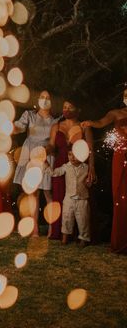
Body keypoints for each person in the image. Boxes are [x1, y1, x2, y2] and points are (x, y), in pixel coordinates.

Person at [82, 87, 127, 254]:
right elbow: (101, 123)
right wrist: (90, 123)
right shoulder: (115, 113)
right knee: (119, 197)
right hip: (120, 156)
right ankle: (119, 241)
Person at [47, 98, 95, 240]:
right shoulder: (56, 126)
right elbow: (51, 145)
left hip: (79, 167)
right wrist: (45, 150)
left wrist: (91, 167)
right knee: (60, 197)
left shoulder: (84, 126)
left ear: (78, 109)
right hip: (61, 164)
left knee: (80, 198)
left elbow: (91, 149)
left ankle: (81, 234)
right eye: (64, 107)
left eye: (70, 107)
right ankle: (61, 233)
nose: (66, 110)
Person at [12, 90, 57, 235]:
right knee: (33, 194)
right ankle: (35, 228)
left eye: (47, 97)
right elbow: (18, 127)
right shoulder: (29, 115)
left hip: (45, 155)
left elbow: (53, 142)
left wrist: (45, 152)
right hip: (30, 154)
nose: (44, 100)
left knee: (48, 193)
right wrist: (9, 127)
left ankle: (52, 228)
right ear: (38, 100)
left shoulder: (54, 121)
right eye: (42, 97)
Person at [46, 145, 92, 247]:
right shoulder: (66, 166)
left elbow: (91, 181)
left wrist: (90, 183)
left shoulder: (86, 168)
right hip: (69, 199)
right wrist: (46, 164)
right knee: (66, 219)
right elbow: (54, 173)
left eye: (75, 155)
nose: (72, 157)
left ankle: (83, 239)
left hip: (82, 198)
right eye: (70, 154)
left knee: (83, 220)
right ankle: (64, 239)